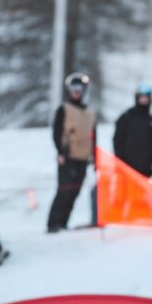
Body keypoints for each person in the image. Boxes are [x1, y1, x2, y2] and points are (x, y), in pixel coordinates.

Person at [48, 72, 96, 232]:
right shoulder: (63, 109)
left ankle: (63, 223)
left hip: (83, 158)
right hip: (68, 158)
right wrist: (60, 152)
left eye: (80, 88)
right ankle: (53, 224)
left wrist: (95, 157)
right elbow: (56, 132)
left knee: (75, 192)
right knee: (64, 191)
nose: (77, 91)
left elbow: (93, 136)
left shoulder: (90, 113)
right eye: (74, 88)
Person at [113, 84, 152, 177]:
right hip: (127, 170)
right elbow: (117, 141)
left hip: (146, 172)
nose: (144, 100)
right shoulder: (126, 118)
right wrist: (121, 163)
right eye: (141, 97)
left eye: (146, 97)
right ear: (137, 98)